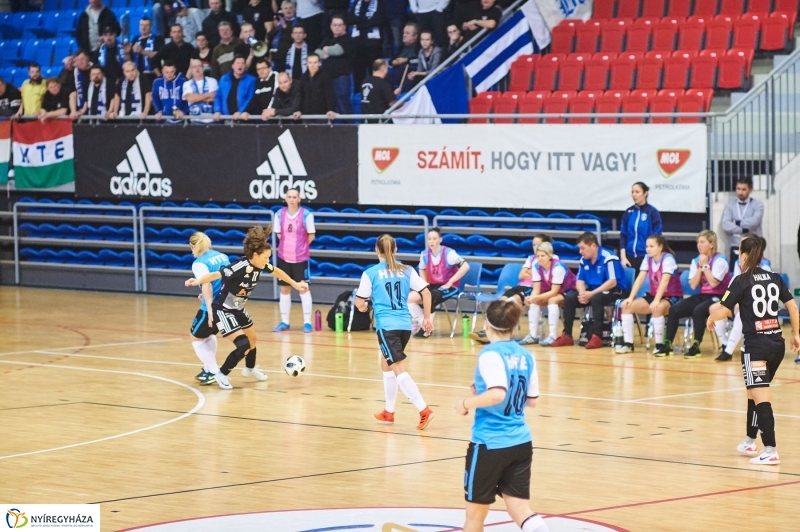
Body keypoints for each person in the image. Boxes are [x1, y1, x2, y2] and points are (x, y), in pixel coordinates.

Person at [456, 299, 549, 532]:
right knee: (521, 510)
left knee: (475, 517)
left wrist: (466, 403)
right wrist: (483, 392)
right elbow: (533, 400)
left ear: (486, 324)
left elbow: (497, 394)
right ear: (513, 325)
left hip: (490, 442)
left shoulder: (489, 354)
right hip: (520, 442)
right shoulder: (526, 355)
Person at [707, 236, 800, 466]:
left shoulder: (741, 280)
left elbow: (723, 310)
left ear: (746, 255)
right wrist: (796, 334)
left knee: (761, 397)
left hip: (756, 347)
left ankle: (770, 449)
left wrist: (711, 316)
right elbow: (792, 306)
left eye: (740, 252)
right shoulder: (775, 277)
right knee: (754, 392)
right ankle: (750, 439)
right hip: (776, 345)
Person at [185, 226, 309, 390]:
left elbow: (277, 271)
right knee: (243, 345)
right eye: (265, 257)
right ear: (256, 255)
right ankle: (221, 374)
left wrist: (295, 284)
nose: (267, 260)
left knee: (252, 340)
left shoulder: (260, 265)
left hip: (238, 307)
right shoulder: (240, 266)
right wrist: (197, 281)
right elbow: (217, 275)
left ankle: (250, 369)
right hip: (223, 309)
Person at [355, 234, 436, 430]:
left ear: (376, 250)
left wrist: (363, 306)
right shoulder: (407, 270)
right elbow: (426, 292)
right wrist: (426, 318)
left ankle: (423, 409)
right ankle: (388, 412)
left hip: (387, 327)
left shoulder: (370, 273)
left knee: (398, 368)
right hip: (405, 325)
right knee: (386, 364)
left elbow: (359, 302)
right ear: (396, 250)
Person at [549, 232, 631, 350]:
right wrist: (583, 294)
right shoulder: (584, 260)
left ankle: (597, 336)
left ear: (593, 246)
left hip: (615, 291)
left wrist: (591, 294)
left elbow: (612, 282)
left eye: (583, 248)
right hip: (594, 291)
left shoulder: (608, 257)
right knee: (570, 298)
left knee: (596, 298)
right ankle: (567, 335)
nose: (580, 252)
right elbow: (580, 281)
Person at [657, 230, 730, 358]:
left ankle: (696, 345)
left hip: (719, 296)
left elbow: (714, 283)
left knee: (698, 310)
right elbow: (693, 285)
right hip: (703, 295)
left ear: (711, 244)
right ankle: (667, 344)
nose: (699, 245)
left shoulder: (720, 260)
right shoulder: (696, 260)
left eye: (702, 242)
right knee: (674, 309)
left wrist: (706, 266)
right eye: (698, 242)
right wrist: (700, 267)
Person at [471, 234, 555, 345]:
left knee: (513, 300)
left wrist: (530, 273)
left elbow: (543, 276)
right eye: (533, 245)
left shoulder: (552, 259)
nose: (534, 247)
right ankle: (487, 330)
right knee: (500, 303)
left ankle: (500, 331)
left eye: (537, 245)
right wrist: (533, 273)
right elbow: (521, 275)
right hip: (520, 285)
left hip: (534, 287)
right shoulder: (530, 259)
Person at [617, 235, 683, 354]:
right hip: (654, 295)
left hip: (672, 295)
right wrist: (630, 298)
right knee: (626, 307)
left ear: (660, 247)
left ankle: (659, 345)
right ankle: (628, 344)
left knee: (657, 309)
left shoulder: (668, 259)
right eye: (647, 246)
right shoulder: (647, 258)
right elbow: (640, 279)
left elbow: (664, 281)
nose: (648, 249)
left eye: (651, 246)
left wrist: (657, 300)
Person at [716, 233, 773, 362]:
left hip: (761, 305)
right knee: (717, 310)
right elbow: (734, 284)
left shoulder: (764, 264)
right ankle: (725, 344)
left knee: (742, 315)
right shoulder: (738, 263)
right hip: (742, 301)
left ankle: (728, 351)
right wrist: (732, 302)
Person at [188, 232, 230, 388]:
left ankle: (214, 371)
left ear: (193, 246)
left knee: (195, 337)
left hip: (211, 307)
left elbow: (207, 284)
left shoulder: (199, 263)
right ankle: (208, 369)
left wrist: (209, 305)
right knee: (209, 334)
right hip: (226, 303)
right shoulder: (222, 256)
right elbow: (226, 279)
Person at [410, 227, 470, 338]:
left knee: (429, 297)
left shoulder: (449, 253)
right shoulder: (424, 254)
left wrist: (451, 281)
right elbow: (421, 268)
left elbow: (466, 266)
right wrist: (424, 282)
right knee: (409, 299)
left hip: (449, 286)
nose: (431, 241)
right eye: (429, 239)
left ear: (440, 240)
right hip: (433, 285)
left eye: (434, 238)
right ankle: (426, 325)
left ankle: (426, 329)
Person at [273, 189, 316, 332]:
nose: (292, 199)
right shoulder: (279, 214)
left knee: (303, 288)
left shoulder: (307, 215)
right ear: (285, 199)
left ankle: (307, 322)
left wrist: (300, 248)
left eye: (294, 197)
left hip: (301, 258)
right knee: (284, 289)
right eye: (289, 197)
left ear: (299, 199)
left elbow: (311, 235)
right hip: (284, 258)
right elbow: (279, 234)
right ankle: (285, 321)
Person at [524, 241, 577, 347]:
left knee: (552, 300)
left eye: (543, 255)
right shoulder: (536, 266)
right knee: (535, 301)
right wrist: (532, 298)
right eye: (538, 256)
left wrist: (535, 297)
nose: (540, 258)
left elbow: (554, 292)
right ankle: (533, 335)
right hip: (552, 291)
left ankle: (552, 335)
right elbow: (536, 289)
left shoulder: (558, 267)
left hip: (569, 291)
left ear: (550, 255)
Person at [315, 15, 355, 115]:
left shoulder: (348, 39)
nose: (337, 27)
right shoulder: (328, 39)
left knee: (343, 107)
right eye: (334, 25)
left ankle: (349, 129)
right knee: (329, 108)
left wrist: (326, 49)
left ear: (344, 26)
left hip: (341, 79)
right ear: (331, 26)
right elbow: (316, 52)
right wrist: (326, 51)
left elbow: (338, 51)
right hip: (327, 79)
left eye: (339, 25)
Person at [722, 177, 764, 269]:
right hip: (736, 246)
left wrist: (736, 222)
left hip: (754, 246)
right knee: (736, 277)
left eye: (744, 189)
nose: (740, 192)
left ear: (751, 190)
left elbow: (754, 221)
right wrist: (743, 230)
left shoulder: (757, 204)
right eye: (738, 189)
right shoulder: (730, 205)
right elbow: (725, 224)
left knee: (754, 275)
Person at [620, 182, 663, 271]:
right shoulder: (628, 212)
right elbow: (623, 236)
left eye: (637, 192)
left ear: (645, 193)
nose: (634, 195)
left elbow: (657, 237)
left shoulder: (652, 212)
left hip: (646, 257)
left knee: (643, 284)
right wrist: (623, 257)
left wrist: (651, 257)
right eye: (632, 192)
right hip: (629, 258)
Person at [350, 0, 385, 93]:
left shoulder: (379, 3)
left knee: (375, 73)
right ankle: (359, 95)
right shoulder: (356, 3)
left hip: (373, 45)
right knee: (358, 74)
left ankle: (378, 94)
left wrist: (360, 24)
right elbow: (350, 19)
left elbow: (378, 20)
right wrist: (367, 21)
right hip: (357, 45)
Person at [295, 53, 337, 120]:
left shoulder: (325, 76)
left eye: (315, 62)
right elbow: (301, 96)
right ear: (307, 64)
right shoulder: (303, 77)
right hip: (306, 116)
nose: (312, 65)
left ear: (319, 63)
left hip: (322, 116)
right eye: (310, 63)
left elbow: (329, 95)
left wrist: (330, 109)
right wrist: (299, 110)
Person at [213, 55, 256, 120]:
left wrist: (241, 112)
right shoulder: (224, 79)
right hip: (227, 119)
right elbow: (218, 96)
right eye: (238, 63)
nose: (240, 65)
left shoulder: (251, 80)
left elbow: (251, 99)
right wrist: (218, 110)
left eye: (243, 63)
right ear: (232, 66)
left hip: (243, 119)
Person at [268, 0, 300, 73]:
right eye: (285, 8)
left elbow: (296, 37)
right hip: (276, 57)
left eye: (290, 8)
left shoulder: (298, 22)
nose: (288, 10)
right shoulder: (279, 22)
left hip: (290, 57)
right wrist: (276, 29)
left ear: (294, 10)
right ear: (282, 11)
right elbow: (269, 37)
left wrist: (285, 26)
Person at [388, 23, 419, 89]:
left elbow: (419, 60)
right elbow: (391, 60)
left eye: (407, 33)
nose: (404, 35)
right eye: (403, 33)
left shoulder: (419, 47)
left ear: (415, 36)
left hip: (410, 70)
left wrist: (406, 60)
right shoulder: (401, 47)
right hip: (396, 70)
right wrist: (393, 62)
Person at [65, 50, 93, 119]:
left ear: (88, 58)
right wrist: (73, 111)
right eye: (77, 60)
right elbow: (72, 93)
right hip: (79, 108)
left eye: (82, 59)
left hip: (93, 107)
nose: (80, 62)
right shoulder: (73, 74)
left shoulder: (95, 71)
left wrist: (83, 111)